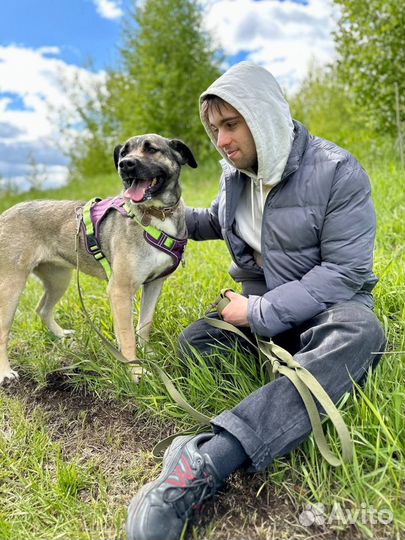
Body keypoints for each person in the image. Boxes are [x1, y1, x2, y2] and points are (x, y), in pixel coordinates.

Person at [125, 61, 386, 540]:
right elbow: (210, 223)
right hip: (258, 303)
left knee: (362, 334)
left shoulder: (337, 172)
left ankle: (204, 460)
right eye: (213, 128)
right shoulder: (237, 178)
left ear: (262, 115)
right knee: (195, 345)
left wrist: (259, 312)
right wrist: (153, 205)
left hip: (326, 308)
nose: (221, 140)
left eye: (230, 124)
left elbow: (346, 271)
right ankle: (290, 383)